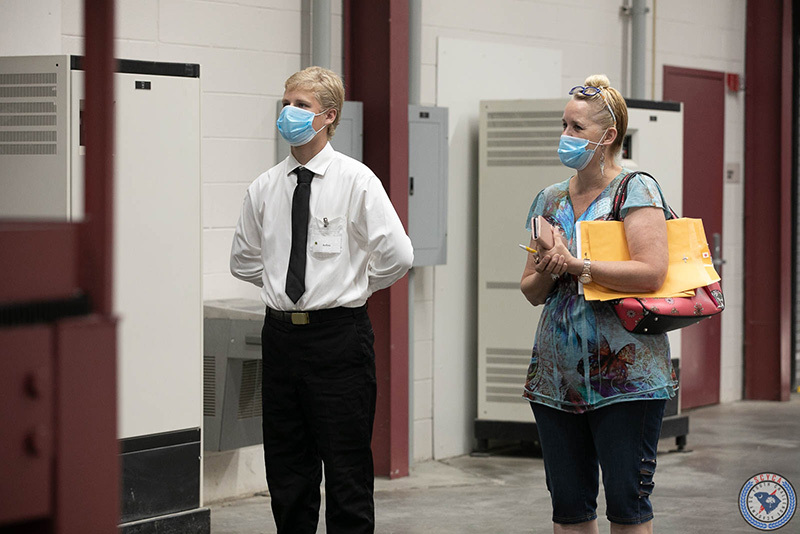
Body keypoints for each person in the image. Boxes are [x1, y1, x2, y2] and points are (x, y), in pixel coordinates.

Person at [230, 66, 414, 534]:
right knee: (287, 471)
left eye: (301, 105)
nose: (288, 112)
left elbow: (398, 255)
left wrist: (354, 288)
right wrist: (283, 286)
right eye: (286, 103)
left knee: (347, 471)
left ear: (328, 116)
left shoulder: (356, 181)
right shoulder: (265, 187)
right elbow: (243, 261)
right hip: (281, 338)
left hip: (339, 338)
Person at [519, 74, 677, 534]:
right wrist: (551, 268)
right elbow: (530, 290)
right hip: (556, 379)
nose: (565, 136)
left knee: (628, 509)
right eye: (563, 125)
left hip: (627, 379)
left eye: (577, 128)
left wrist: (577, 265)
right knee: (569, 511)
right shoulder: (549, 199)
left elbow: (652, 272)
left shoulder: (636, 190)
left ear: (607, 136)